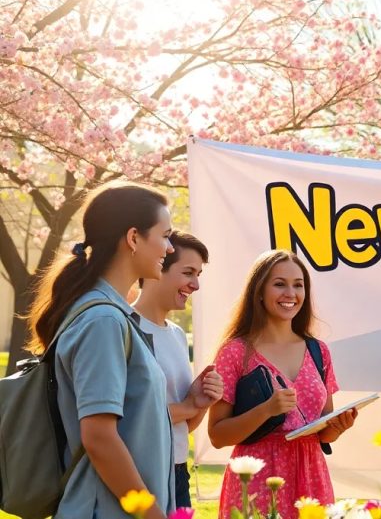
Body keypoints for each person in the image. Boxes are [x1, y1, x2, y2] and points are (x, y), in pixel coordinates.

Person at [26, 181, 175, 519]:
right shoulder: (103, 321)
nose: (169, 248)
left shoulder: (108, 315)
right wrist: (151, 514)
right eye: (165, 236)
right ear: (133, 237)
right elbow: (99, 438)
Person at [207, 251, 358, 519]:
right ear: (259, 292)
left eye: (298, 285)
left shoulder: (318, 351)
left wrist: (338, 427)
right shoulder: (235, 352)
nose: (291, 293)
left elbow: (323, 433)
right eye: (279, 284)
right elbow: (218, 436)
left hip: (311, 476)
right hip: (258, 479)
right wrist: (266, 410)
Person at [133, 230, 224, 509]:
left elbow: (184, 427)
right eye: (188, 273)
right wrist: (188, 406)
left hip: (178, 471)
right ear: (158, 266)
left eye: (198, 275)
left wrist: (202, 403)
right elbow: (130, 418)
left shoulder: (177, 335)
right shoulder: (124, 327)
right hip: (139, 473)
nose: (195, 285)